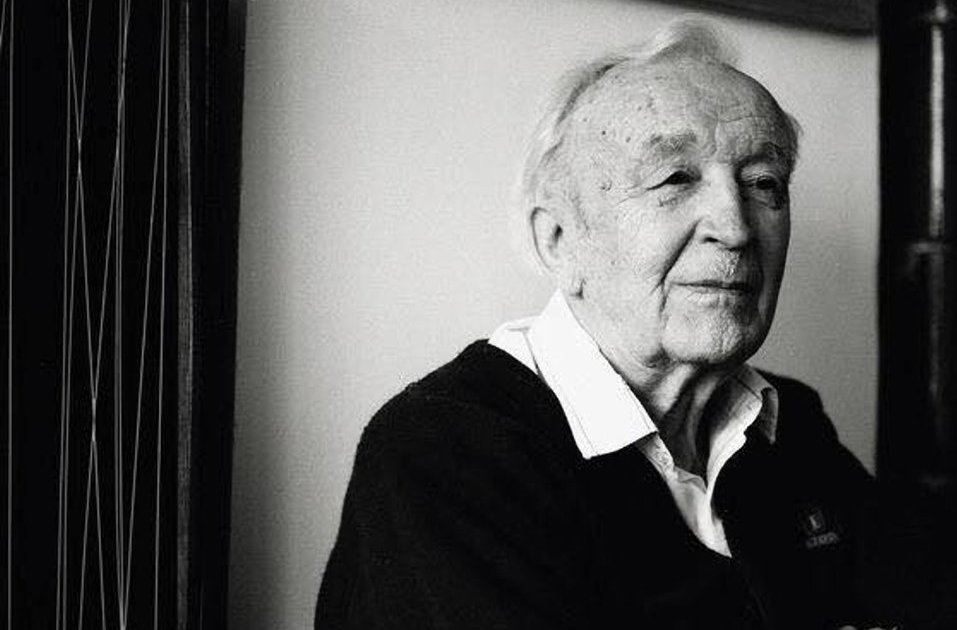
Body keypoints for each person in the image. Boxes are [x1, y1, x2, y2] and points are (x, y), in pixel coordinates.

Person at [317, 20, 890, 630]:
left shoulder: (789, 423)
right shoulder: (445, 452)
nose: (736, 227)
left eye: (763, 183)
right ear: (558, 240)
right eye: (675, 178)